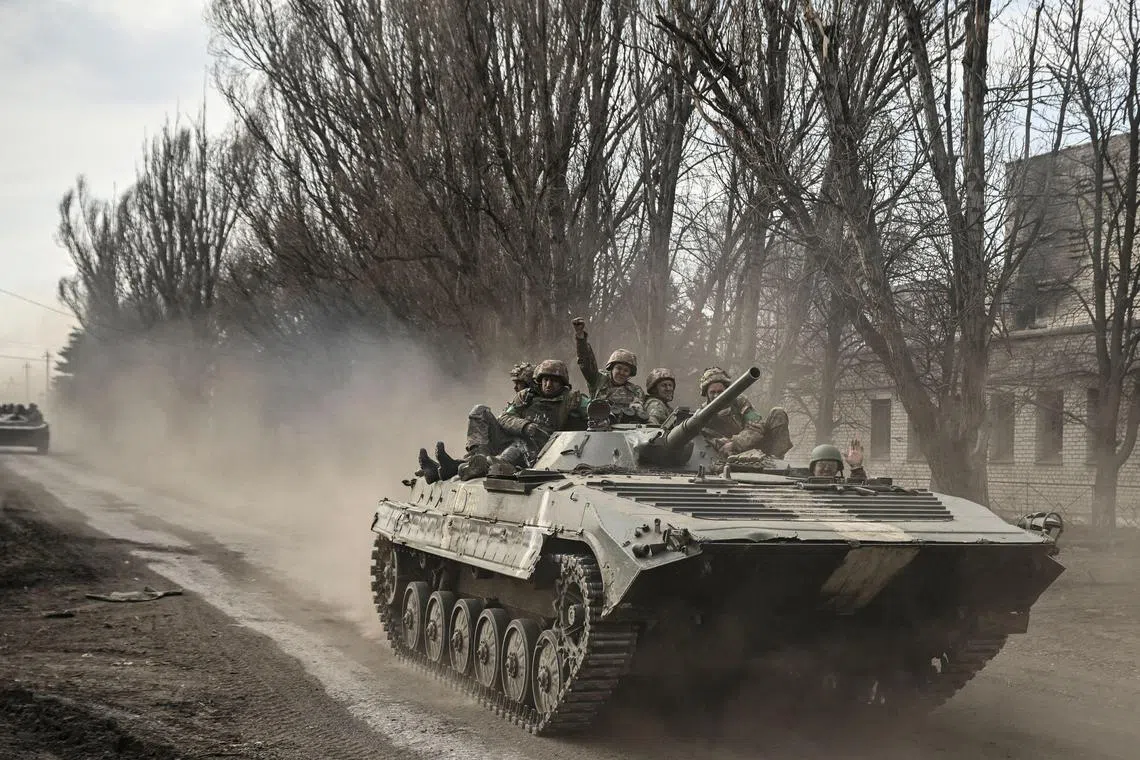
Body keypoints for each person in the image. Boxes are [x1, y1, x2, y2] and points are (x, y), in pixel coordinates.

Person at [460, 359, 589, 479]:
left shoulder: (572, 399)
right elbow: (503, 418)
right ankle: (478, 459)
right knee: (479, 411)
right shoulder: (526, 396)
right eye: (546, 380)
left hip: (541, 448)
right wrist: (525, 426)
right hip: (512, 438)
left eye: (554, 381)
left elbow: (596, 410)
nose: (548, 384)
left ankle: (492, 464)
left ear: (562, 383)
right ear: (540, 380)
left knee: (520, 446)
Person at [696, 367, 793, 459]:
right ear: (706, 393)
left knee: (778, 413)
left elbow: (756, 427)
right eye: (712, 392)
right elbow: (705, 439)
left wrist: (735, 443)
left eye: (720, 391)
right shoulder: (701, 414)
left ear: (726, 391)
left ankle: (776, 462)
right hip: (725, 455)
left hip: (755, 448)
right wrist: (720, 443)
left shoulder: (740, 402)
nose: (716, 395)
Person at [571, 318, 645, 421]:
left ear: (630, 374)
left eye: (626, 370)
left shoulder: (635, 390)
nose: (622, 373)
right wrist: (581, 338)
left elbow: (639, 407)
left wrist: (635, 408)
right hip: (598, 428)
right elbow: (586, 363)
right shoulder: (598, 380)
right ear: (611, 368)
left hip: (627, 431)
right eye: (618, 368)